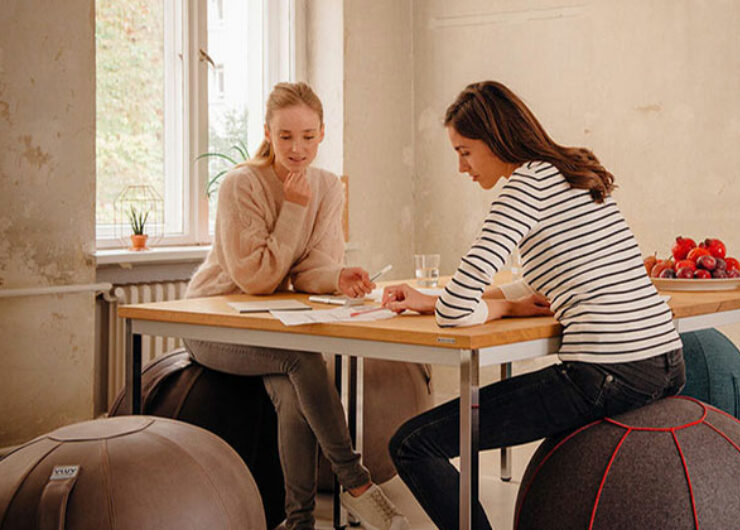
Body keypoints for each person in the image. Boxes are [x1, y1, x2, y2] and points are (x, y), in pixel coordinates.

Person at [382, 81, 686, 529]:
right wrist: (434, 300)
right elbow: (541, 277)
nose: (461, 167)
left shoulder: (524, 187)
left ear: (496, 138)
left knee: (414, 444)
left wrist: (493, 309)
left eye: (465, 151)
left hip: (606, 373)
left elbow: (455, 312)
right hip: (665, 362)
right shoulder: (568, 173)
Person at [183, 82, 407, 530]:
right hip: (212, 323)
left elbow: (309, 271)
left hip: (266, 327)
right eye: (285, 136)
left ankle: (298, 520)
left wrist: (337, 277)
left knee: (291, 390)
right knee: (302, 359)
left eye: (307, 136)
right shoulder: (240, 184)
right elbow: (257, 279)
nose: (297, 147)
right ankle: (356, 481)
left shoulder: (327, 187)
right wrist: (293, 207)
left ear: (322, 132)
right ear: (267, 132)